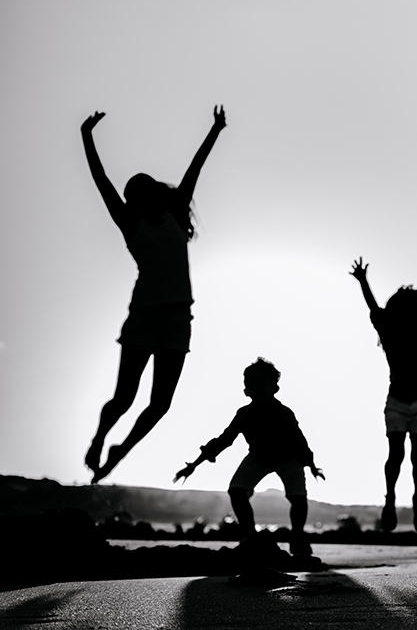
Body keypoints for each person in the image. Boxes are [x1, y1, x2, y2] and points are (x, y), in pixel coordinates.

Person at [81, 106, 227, 483]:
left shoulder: (177, 215)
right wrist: (86, 136)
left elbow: (195, 169)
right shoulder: (131, 223)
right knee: (124, 399)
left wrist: (216, 130)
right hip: (144, 316)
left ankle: (119, 454)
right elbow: (101, 183)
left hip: (179, 319)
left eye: (139, 192)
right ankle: (99, 439)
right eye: (131, 195)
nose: (134, 198)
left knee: (160, 404)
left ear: (151, 193)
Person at [174, 357, 324, 557]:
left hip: (289, 458)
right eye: (250, 383)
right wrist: (193, 465)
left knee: (298, 497)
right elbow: (224, 439)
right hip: (258, 457)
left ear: (275, 388)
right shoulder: (244, 414)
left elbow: (299, 440)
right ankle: (250, 537)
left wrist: (311, 465)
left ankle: (297, 538)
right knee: (236, 491)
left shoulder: (284, 413)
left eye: (262, 382)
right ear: (245, 390)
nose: (256, 387)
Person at [349, 251, 417, 533]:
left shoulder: (414, 330)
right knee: (403, 456)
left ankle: (415, 500)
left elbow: (375, 308)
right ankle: (392, 500)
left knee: (410, 456)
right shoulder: (405, 331)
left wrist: (363, 280)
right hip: (399, 402)